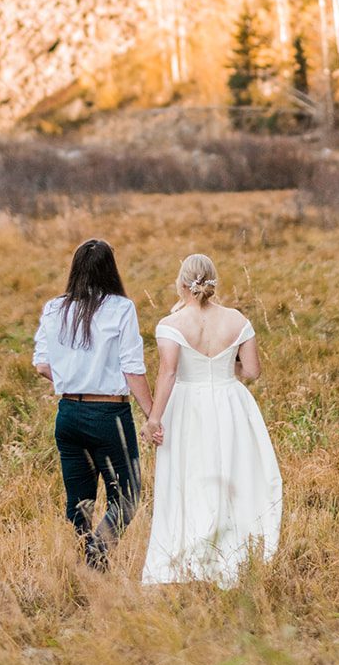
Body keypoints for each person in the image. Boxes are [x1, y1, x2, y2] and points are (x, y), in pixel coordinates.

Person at [141, 252, 282, 588]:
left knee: (188, 476)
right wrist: (223, 368)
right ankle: (230, 548)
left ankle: (187, 552)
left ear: (181, 283)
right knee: (230, 472)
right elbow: (252, 371)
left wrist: (154, 419)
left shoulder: (170, 325)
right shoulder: (237, 319)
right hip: (230, 402)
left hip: (188, 405)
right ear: (213, 281)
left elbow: (169, 373)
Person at [33, 238, 153, 569]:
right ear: (110, 270)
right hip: (109, 415)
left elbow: (42, 365)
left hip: (68, 413)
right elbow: (132, 368)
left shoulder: (54, 308)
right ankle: (96, 558)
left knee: (79, 502)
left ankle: (86, 566)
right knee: (126, 498)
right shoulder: (120, 308)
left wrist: (74, 380)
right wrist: (154, 415)